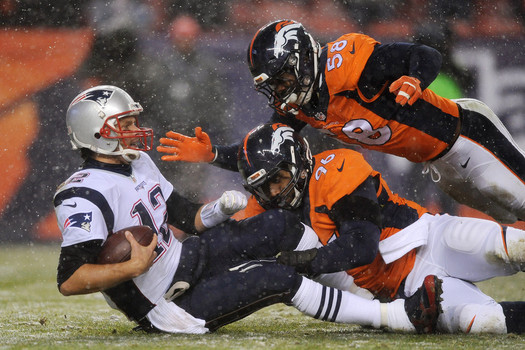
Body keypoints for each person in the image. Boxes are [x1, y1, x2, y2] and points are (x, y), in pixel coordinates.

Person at [54, 85, 442, 334]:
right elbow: (70, 280)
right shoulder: (84, 193)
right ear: (96, 132)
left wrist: (220, 211)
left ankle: (368, 295)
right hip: (166, 306)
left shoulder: (138, 162)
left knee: (280, 224)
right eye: (125, 123)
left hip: (185, 261)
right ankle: (395, 317)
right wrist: (131, 268)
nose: (136, 129)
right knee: (276, 276)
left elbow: (187, 218)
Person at [156, 19, 525, 224]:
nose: (280, 92)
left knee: (521, 202)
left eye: (283, 79)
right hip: (438, 162)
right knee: (508, 222)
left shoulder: (348, 65)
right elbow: (265, 152)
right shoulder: (299, 104)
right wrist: (213, 154)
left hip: (467, 136)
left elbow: (424, 54)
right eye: (273, 86)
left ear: (302, 61)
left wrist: (413, 79)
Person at [235, 123, 525, 334]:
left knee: (515, 247)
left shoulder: (336, 168)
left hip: (429, 238)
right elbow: (228, 243)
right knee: (486, 322)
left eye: (279, 178)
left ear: (298, 162)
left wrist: (306, 262)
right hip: (405, 290)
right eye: (264, 188)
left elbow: (361, 245)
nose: (274, 193)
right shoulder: (265, 212)